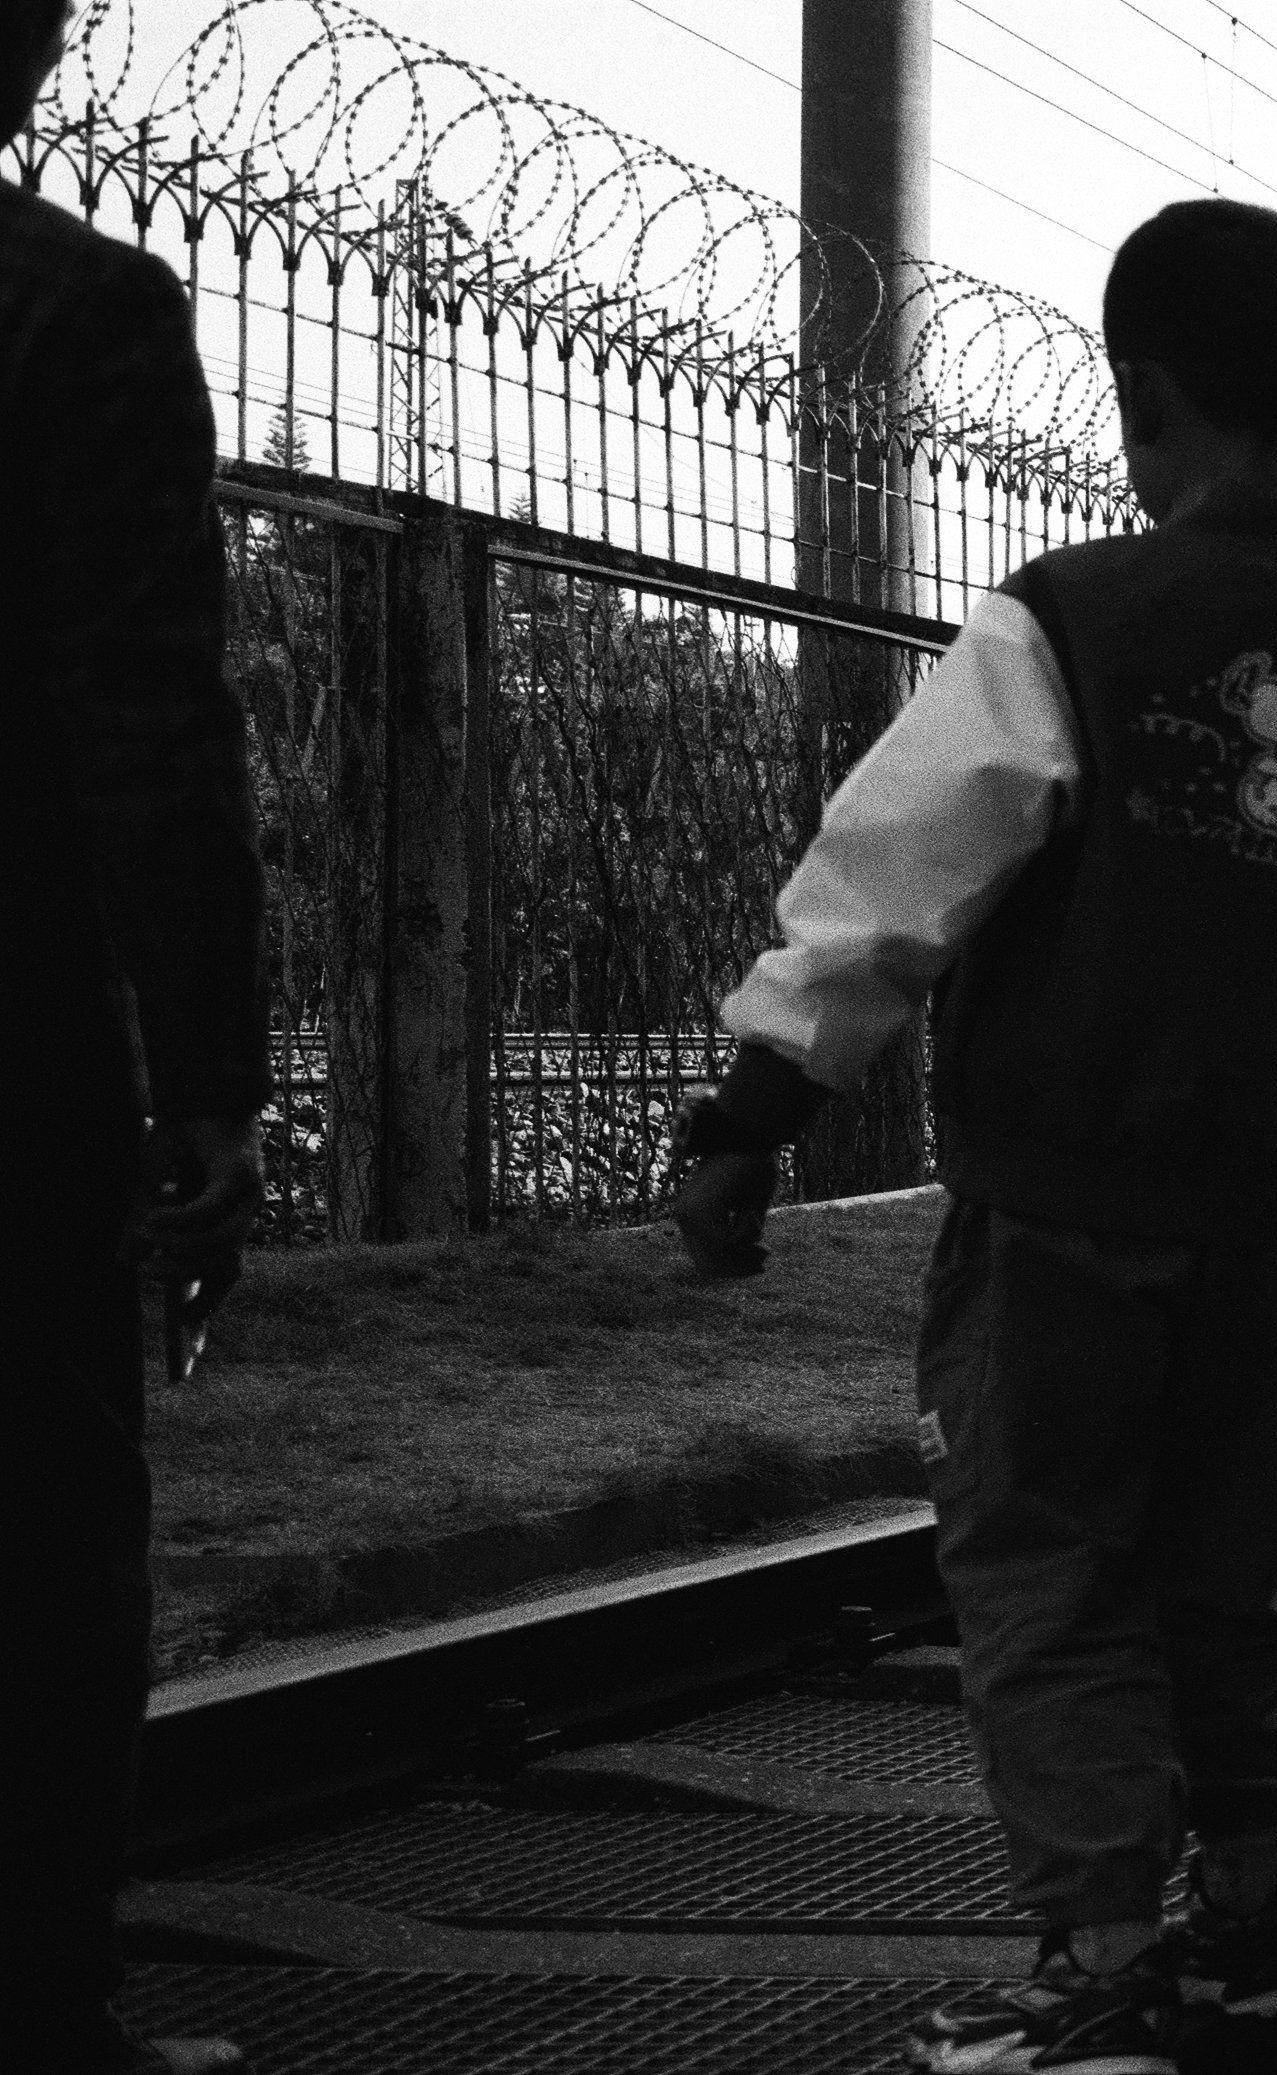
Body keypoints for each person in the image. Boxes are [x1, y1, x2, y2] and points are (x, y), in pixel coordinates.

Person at [666, 198, 1277, 2075]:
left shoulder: (1067, 626)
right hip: (1257, 1245)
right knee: (1213, 1579)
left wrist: (757, 1108)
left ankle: (1099, 1963)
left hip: (1049, 1228)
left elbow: (895, 882)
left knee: (1045, 1572)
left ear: (1138, 399)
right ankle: (1255, 1917)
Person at [3, 3, 270, 2068]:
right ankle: (40, 2007)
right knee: (41, 1530)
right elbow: (147, 721)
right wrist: (206, 1082)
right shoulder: (72, 319)